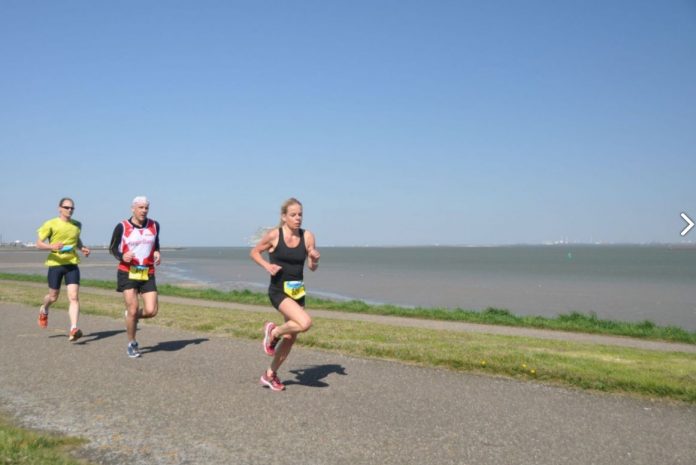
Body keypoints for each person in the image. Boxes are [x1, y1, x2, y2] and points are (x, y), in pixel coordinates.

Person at [250, 198, 320, 391]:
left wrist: (314, 259)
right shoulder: (274, 235)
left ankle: (269, 375)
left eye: (300, 214)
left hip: (297, 292)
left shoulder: (307, 237)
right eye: (293, 215)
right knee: (305, 323)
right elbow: (255, 252)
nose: (298, 218)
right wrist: (267, 265)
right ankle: (274, 332)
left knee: (290, 337)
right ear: (284, 217)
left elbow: (312, 268)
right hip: (278, 291)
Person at [109, 196, 161, 358]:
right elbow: (112, 248)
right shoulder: (122, 226)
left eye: (146, 208)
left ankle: (131, 317)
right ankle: (132, 343)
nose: (144, 211)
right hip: (127, 271)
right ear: (133, 208)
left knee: (152, 311)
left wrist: (158, 252)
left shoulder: (154, 225)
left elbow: (155, 242)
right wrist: (122, 256)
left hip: (147, 272)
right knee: (132, 309)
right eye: (140, 207)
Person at [36, 197, 91, 342]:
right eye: (67, 207)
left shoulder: (77, 224)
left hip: (72, 264)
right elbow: (39, 244)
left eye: (72, 208)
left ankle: (73, 328)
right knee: (53, 297)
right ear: (59, 208)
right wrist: (51, 247)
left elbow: (76, 240)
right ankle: (44, 308)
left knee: (73, 297)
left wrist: (82, 248)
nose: (70, 210)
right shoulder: (51, 224)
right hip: (55, 264)